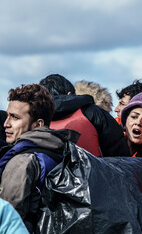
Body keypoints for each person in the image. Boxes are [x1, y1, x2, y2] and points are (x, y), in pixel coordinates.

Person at [0, 84, 79, 233]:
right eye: (7, 115)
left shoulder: (22, 161)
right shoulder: (61, 151)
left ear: (38, 125)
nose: (6, 124)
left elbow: (7, 218)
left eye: (15, 117)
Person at [40, 74, 129, 157]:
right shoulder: (93, 112)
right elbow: (119, 152)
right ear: (70, 94)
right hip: (93, 172)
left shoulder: (33, 119)